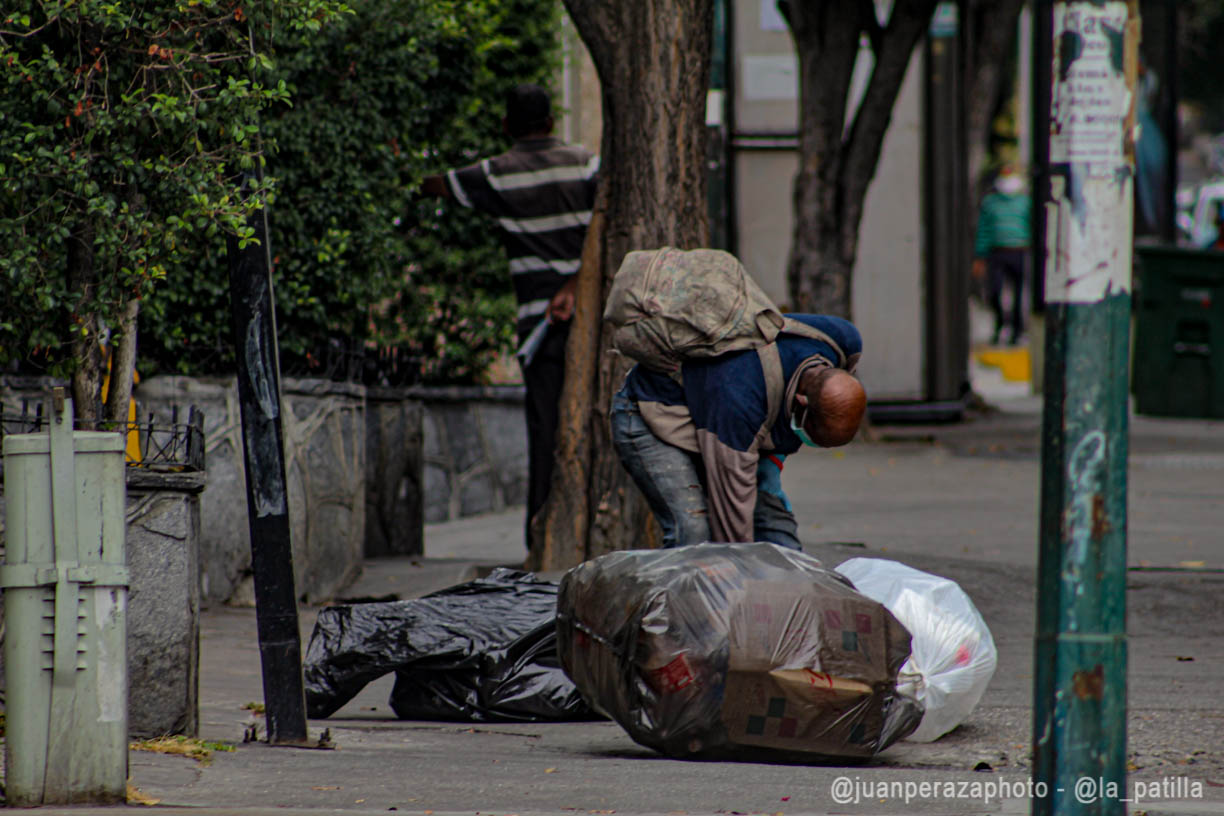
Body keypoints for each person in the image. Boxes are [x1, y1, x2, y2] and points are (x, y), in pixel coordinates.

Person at [420, 83, 599, 550]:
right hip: (593, 323)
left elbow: (436, 184)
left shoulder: (497, 175)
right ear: (551, 122)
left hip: (538, 328)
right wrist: (578, 282)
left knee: (544, 432)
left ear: (506, 126)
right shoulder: (585, 163)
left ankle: (540, 537)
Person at [610, 315, 866, 549]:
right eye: (813, 436)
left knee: (777, 532)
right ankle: (675, 599)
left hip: (723, 421)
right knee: (693, 534)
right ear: (801, 401)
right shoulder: (740, 395)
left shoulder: (841, 342)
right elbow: (732, 528)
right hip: (652, 413)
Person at [972, 164, 1032, 346]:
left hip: (1019, 251)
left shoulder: (1024, 202)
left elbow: (1032, 226)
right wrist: (980, 256)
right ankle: (1000, 326)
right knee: (995, 291)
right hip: (997, 253)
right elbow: (983, 230)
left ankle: (1017, 330)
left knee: (1018, 293)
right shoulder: (990, 203)